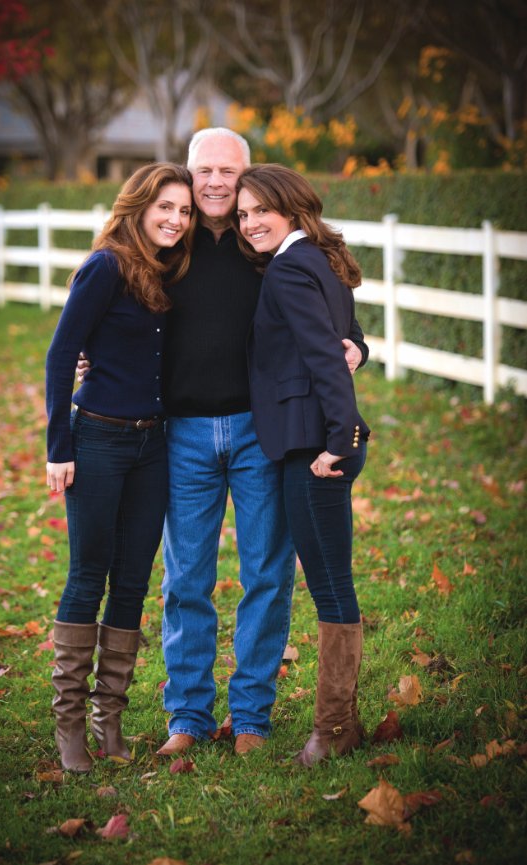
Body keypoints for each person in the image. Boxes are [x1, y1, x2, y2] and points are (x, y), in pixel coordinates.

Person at [78, 128, 368, 758]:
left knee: (266, 573)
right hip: (179, 431)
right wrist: (89, 361)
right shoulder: (167, 245)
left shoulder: (264, 241)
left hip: (261, 430)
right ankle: (188, 714)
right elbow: (112, 310)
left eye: (227, 173)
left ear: (248, 176)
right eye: (203, 170)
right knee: (187, 578)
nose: (213, 183)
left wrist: (359, 346)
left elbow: (334, 310)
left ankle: (252, 718)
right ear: (187, 171)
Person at [45, 162, 195, 772]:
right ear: (137, 205)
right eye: (166, 207)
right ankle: (71, 725)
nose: (176, 219)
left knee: (133, 579)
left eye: (184, 211)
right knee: (89, 574)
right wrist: (59, 447)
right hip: (99, 440)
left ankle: (111, 721)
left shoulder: (170, 270)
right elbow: (60, 355)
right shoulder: (105, 266)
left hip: (153, 444)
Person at [236, 163, 370, 765]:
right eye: (242, 215)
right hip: (316, 440)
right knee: (332, 580)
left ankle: (333, 730)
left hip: (313, 447)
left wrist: (338, 441)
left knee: (330, 585)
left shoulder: (291, 267)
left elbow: (323, 356)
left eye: (260, 209)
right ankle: (346, 724)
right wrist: (359, 350)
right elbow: (343, 341)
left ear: (289, 207)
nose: (249, 222)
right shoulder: (318, 257)